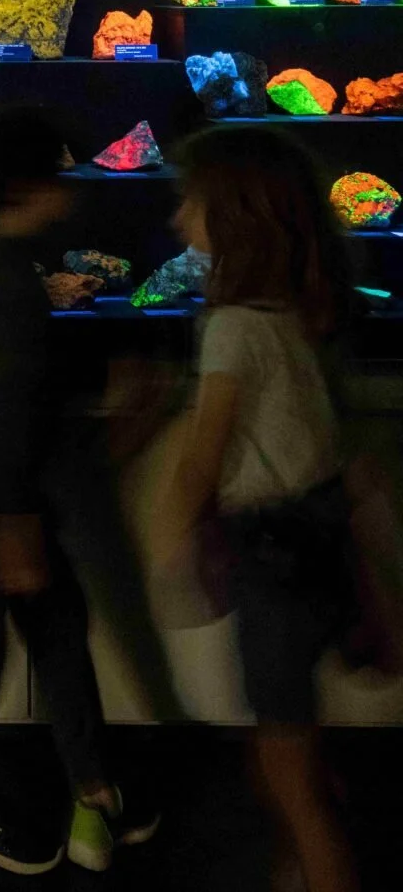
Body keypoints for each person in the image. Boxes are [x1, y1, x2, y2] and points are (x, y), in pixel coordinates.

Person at [0, 105, 158, 876]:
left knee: (24, 638)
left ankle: (85, 795)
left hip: (4, 494)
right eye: (59, 167)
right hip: (7, 500)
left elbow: (10, 384)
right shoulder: (3, 274)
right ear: (33, 179)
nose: (71, 182)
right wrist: (12, 518)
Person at [161, 125, 359, 892]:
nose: (179, 218)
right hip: (314, 549)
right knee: (284, 747)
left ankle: (315, 868)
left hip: (272, 561)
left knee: (294, 777)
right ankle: (295, 871)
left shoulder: (234, 327)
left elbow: (204, 454)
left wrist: (171, 536)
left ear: (236, 216)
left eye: (192, 202)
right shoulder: (289, 313)